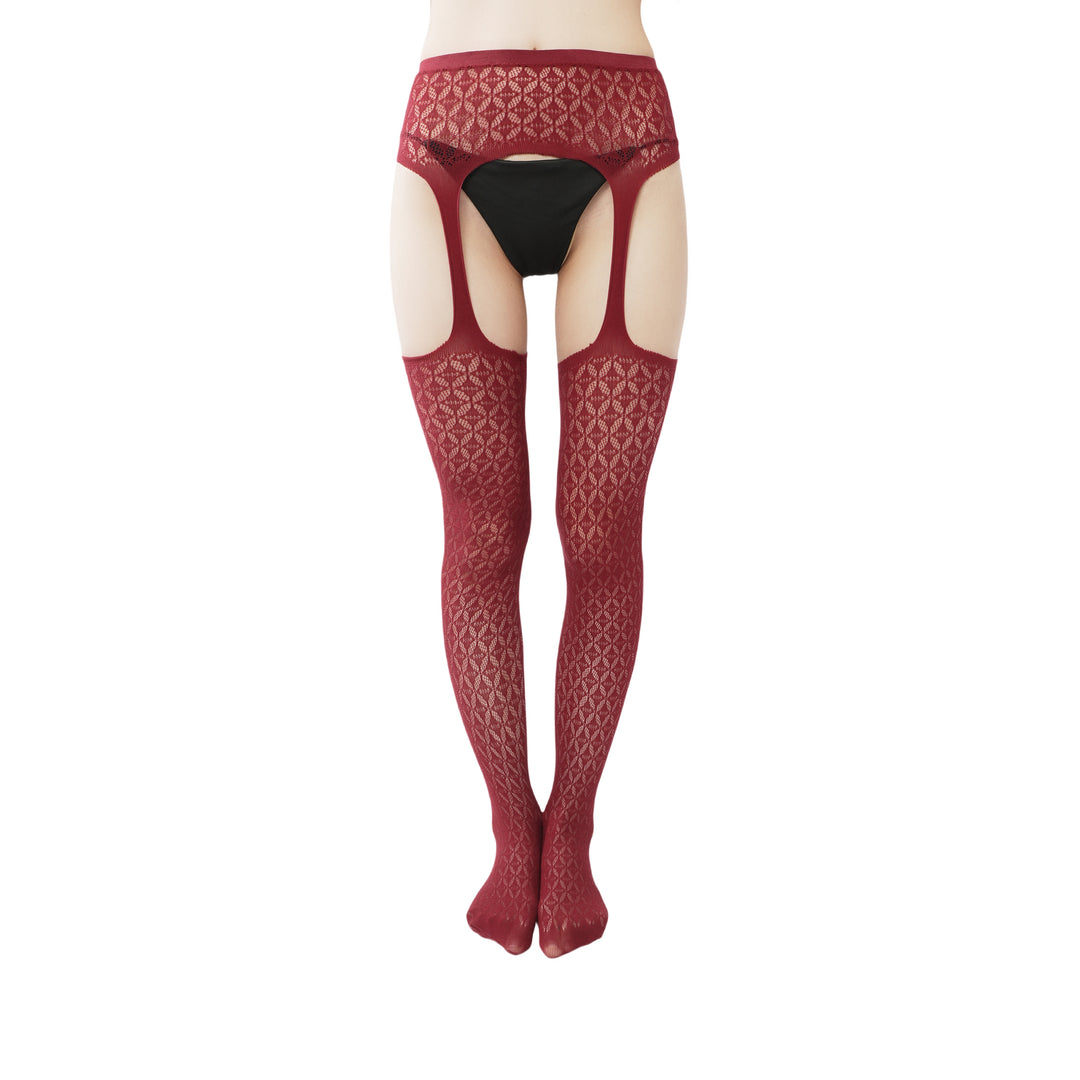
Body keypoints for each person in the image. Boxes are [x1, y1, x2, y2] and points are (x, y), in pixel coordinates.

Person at [388, 1, 687, 957]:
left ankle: (576, 833)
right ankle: (514, 830)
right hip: (448, 143)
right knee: (482, 530)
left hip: (624, 140)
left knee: (602, 527)